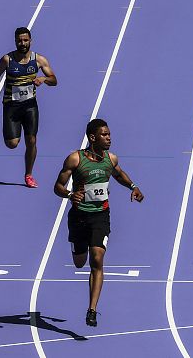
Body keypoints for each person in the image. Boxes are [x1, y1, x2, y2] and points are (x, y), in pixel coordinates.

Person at [53, 119, 143, 327]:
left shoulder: (111, 159)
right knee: (79, 262)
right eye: (104, 135)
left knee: (97, 258)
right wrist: (69, 194)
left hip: (100, 216)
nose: (109, 138)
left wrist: (133, 187)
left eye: (109, 134)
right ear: (92, 138)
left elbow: (119, 175)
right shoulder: (75, 159)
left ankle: (92, 309)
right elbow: (57, 185)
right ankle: (77, 246)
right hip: (79, 216)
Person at [0, 27, 57, 188]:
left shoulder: (39, 60)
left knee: (31, 140)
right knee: (12, 144)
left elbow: (54, 80)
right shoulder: (7, 60)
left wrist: (43, 79)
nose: (22, 43)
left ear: (30, 41)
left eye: (25, 40)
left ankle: (28, 174)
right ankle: (13, 133)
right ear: (15, 41)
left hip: (29, 106)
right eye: (19, 40)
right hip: (11, 107)